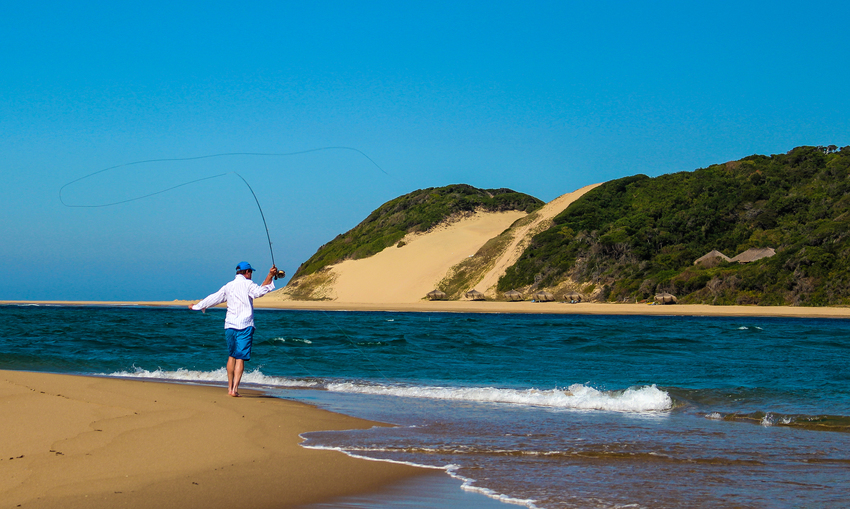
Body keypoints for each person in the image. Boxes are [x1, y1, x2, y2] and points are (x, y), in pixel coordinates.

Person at [188, 261, 281, 397]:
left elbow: (213, 298)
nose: (251, 275)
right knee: (240, 358)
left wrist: (197, 306)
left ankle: (229, 388)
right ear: (247, 272)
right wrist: (270, 276)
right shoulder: (248, 284)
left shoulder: (228, 286)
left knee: (232, 356)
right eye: (251, 272)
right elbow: (260, 292)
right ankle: (235, 390)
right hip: (244, 325)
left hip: (230, 326)